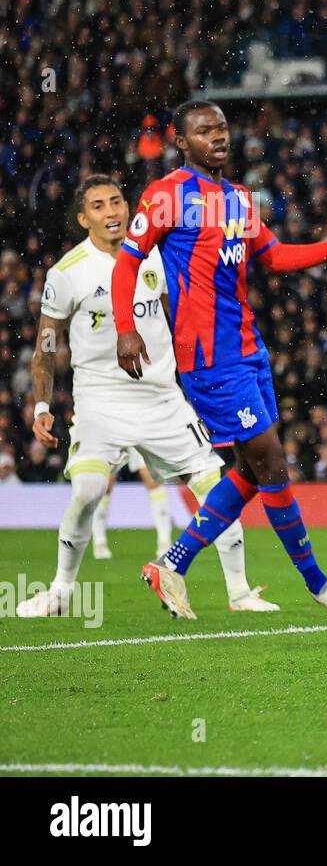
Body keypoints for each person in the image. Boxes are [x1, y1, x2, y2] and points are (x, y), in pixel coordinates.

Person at [113, 100, 327, 619]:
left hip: (249, 350)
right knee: (272, 461)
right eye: (204, 130)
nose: (218, 136)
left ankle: (172, 563)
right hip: (209, 359)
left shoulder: (238, 198)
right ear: (180, 141)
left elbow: (274, 256)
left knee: (254, 471)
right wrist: (126, 330)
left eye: (222, 128)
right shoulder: (165, 196)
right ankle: (321, 587)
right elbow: (127, 265)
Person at [20, 174, 275, 617]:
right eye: (98, 206)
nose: (112, 212)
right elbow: (46, 346)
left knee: (215, 486)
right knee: (87, 490)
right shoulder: (67, 273)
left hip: (163, 399)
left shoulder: (157, 254)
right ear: (83, 219)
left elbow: (186, 315)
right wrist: (42, 405)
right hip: (101, 403)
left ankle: (240, 593)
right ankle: (59, 594)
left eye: (117, 201)